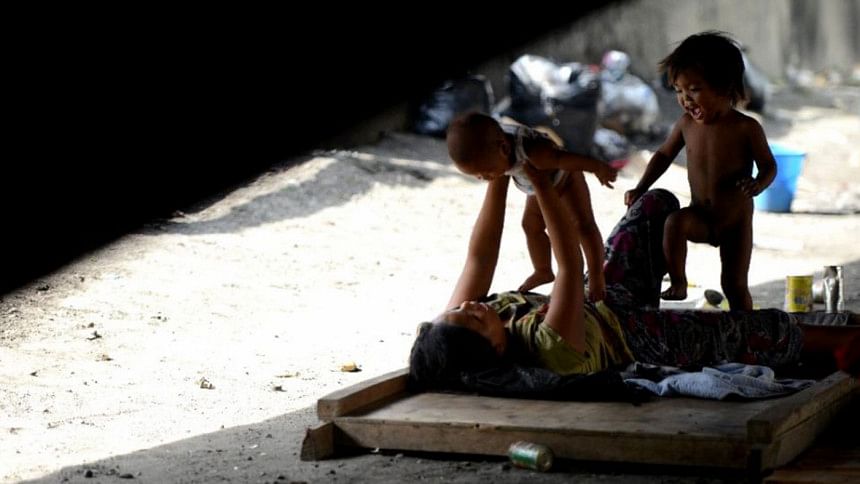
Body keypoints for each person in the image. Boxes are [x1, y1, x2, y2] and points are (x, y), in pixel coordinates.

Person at [408, 163, 859, 392]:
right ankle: (843, 341)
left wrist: (500, 175)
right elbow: (568, 265)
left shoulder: (468, 320)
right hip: (634, 336)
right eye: (472, 319)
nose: (471, 306)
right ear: (495, 349)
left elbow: (478, 257)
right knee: (758, 330)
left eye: (458, 310)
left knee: (656, 204)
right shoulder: (548, 348)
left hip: (603, 297)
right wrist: (541, 185)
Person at [623, 31, 777, 310]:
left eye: (694, 90)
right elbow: (663, 155)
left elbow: (769, 166)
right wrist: (641, 187)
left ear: (724, 86)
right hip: (700, 216)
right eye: (679, 91)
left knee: (734, 285)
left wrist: (758, 184)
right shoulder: (686, 124)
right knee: (674, 223)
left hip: (735, 222)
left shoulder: (746, 127)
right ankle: (678, 281)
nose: (685, 100)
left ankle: (746, 328)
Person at [446, 112, 618, 299]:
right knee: (530, 225)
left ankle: (596, 276)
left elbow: (563, 158)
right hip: (537, 185)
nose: (483, 178)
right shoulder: (495, 146)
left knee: (583, 225)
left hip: (565, 179)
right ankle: (543, 270)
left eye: (487, 172)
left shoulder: (534, 153)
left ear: (504, 148)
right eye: (477, 176)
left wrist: (597, 167)